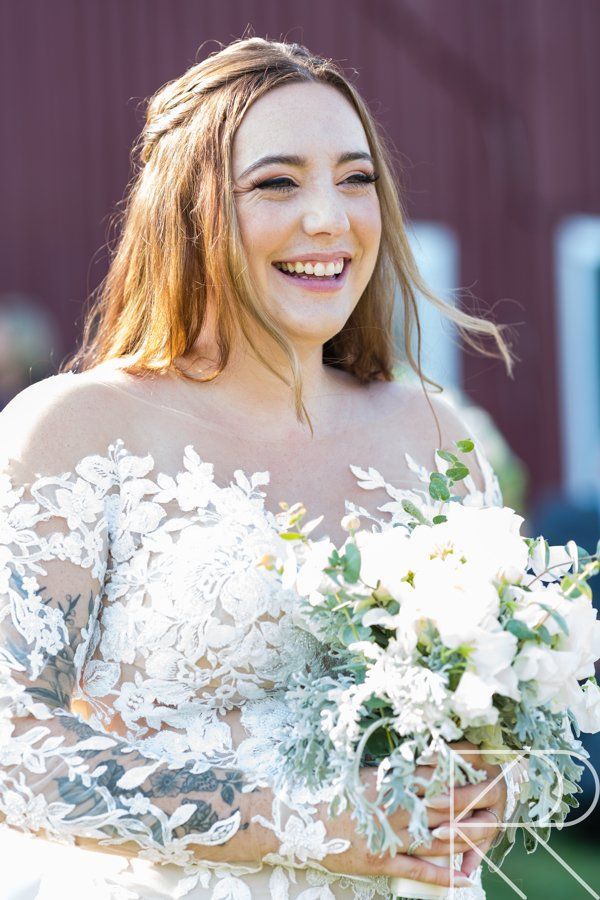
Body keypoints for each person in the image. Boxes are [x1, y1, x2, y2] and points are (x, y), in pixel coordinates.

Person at [0, 37, 516, 900]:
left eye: (356, 179)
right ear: (187, 212)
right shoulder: (80, 432)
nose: (329, 217)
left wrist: (491, 779)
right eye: (277, 182)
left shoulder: (435, 431)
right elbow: (12, 743)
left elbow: (494, 709)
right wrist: (309, 826)